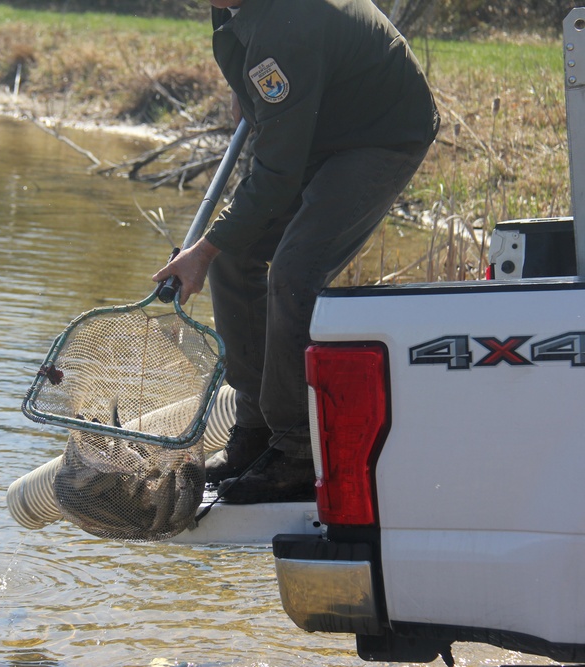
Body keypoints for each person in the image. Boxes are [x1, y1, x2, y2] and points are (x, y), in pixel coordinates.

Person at [152, 0, 439, 504]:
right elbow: (256, 70)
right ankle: (255, 431)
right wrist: (248, 93)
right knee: (235, 257)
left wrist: (202, 249)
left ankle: (296, 454)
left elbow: (277, 175)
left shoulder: (288, 27)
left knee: (294, 271)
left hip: (381, 132)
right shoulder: (233, 9)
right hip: (324, 119)